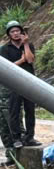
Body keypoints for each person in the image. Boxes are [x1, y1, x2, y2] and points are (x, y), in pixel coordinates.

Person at [2, 21, 37, 149]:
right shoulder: (5, 49)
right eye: (12, 32)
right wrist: (21, 60)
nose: (16, 34)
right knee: (14, 111)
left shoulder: (28, 45)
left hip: (29, 82)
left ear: (22, 32)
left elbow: (30, 60)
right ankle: (16, 138)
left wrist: (26, 44)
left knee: (30, 110)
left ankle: (30, 137)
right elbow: (6, 67)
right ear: (9, 34)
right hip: (14, 83)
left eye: (18, 31)